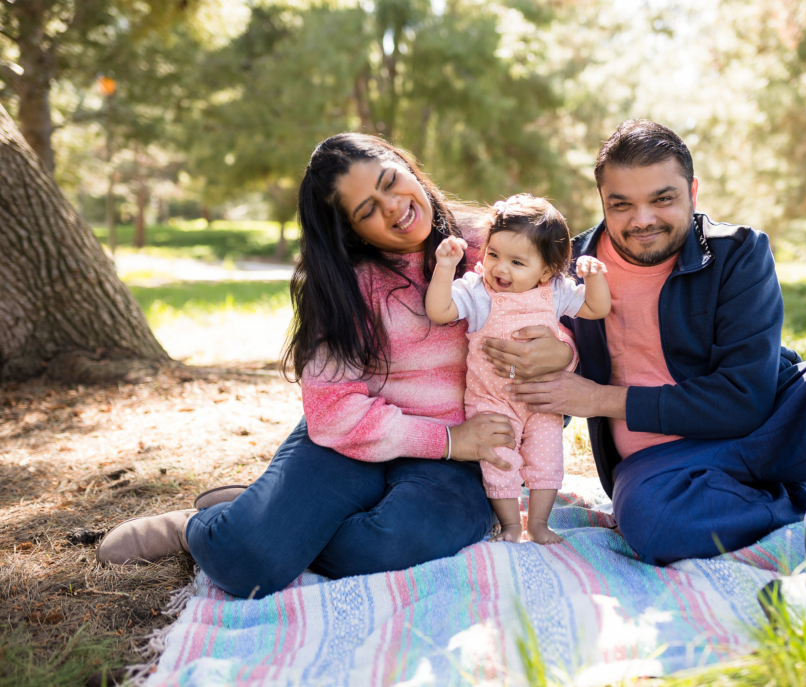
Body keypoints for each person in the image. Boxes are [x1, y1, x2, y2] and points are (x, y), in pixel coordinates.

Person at [503, 119, 806, 682]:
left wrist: (597, 397)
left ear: (692, 191)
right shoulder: (565, 270)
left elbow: (743, 400)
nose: (642, 220)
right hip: (664, 465)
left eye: (663, 199)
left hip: (768, 421)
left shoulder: (738, 251)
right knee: (650, 524)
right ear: (601, 202)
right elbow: (537, 369)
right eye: (621, 204)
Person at [96, 133, 578, 599]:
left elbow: (552, 307)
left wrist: (562, 351)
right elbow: (334, 411)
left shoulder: (491, 243)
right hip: (358, 436)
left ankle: (272, 518)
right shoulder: (342, 286)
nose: (391, 206)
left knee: (390, 541)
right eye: (367, 209)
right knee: (248, 563)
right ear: (350, 229)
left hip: (464, 453)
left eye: (390, 182)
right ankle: (215, 527)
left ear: (409, 168)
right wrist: (447, 440)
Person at [426, 194, 611, 544]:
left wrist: (595, 277)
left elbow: (595, 307)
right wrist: (446, 267)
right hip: (492, 402)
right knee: (499, 461)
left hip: (542, 399)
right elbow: (439, 310)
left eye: (516, 261)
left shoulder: (554, 291)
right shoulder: (479, 291)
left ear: (545, 270)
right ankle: (510, 524)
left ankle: (539, 523)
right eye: (493, 254)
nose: (500, 268)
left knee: (547, 460)